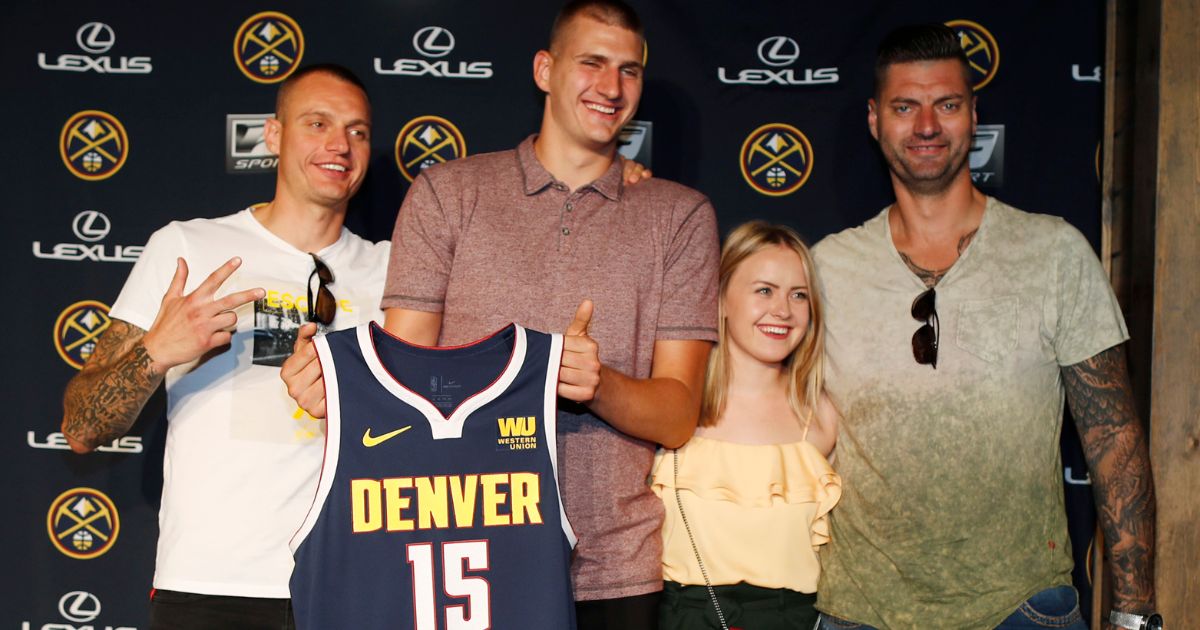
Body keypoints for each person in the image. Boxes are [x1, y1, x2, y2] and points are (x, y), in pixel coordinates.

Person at [282, 2, 719, 627]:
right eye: (591, 62)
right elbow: (401, 371)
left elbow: (677, 415)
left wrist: (599, 386)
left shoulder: (678, 216)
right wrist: (344, 394)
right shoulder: (448, 192)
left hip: (612, 566)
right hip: (463, 561)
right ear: (545, 69)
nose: (611, 87)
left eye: (629, 70)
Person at [811, 24, 1157, 630]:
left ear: (973, 115)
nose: (926, 126)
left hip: (1024, 609)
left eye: (946, 104)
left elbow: (1114, 440)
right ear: (874, 119)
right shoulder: (822, 269)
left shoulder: (1053, 253)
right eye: (904, 107)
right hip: (860, 613)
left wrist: (1133, 616)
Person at [61, 64, 389, 630]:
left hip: (353, 582)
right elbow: (81, 426)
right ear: (274, 134)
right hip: (213, 585)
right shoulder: (189, 247)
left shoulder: (395, 270)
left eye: (357, 131)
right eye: (318, 123)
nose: (339, 145)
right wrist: (156, 352)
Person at [651, 221, 841, 630]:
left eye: (799, 295)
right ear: (719, 300)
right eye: (764, 290)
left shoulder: (822, 417)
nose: (783, 310)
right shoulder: (674, 405)